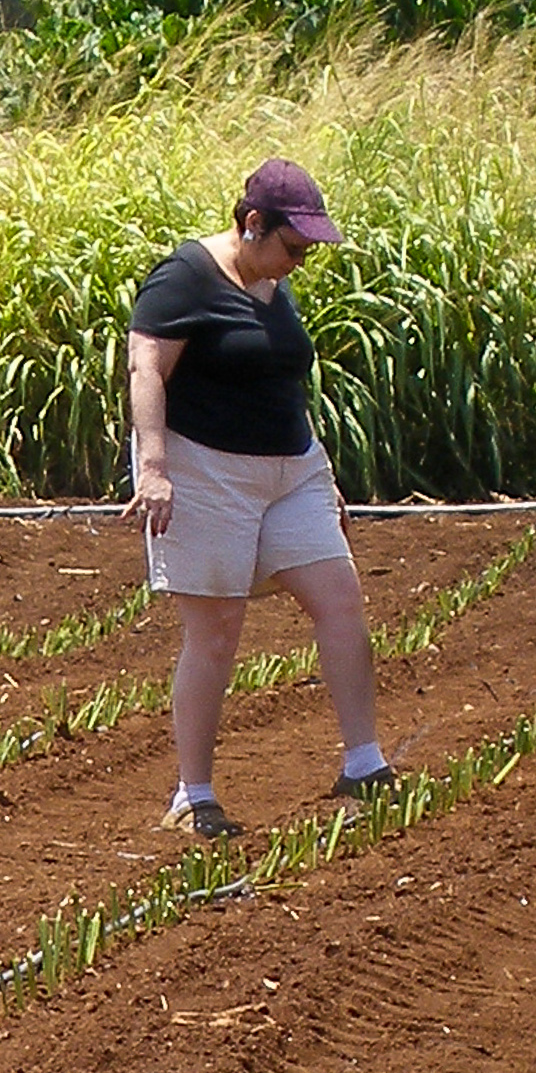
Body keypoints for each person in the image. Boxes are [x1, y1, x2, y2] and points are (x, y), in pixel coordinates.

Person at [124, 158, 398, 838]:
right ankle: (194, 796)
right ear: (252, 224)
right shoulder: (184, 277)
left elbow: (282, 382)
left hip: (290, 470)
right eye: (293, 246)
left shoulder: (272, 280)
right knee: (216, 634)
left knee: (339, 600)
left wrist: (320, 470)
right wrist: (153, 467)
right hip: (205, 470)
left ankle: (364, 763)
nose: (300, 261)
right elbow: (145, 368)